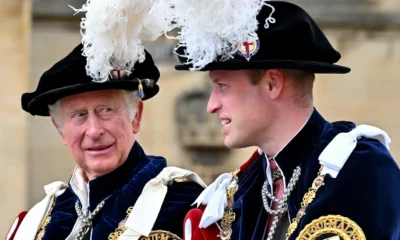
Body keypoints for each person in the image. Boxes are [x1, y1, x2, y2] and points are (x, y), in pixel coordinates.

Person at [160, 1, 400, 239]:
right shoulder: (245, 189)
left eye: (223, 86)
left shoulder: (359, 170)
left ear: (272, 83)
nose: (211, 105)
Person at [5, 1, 206, 240]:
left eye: (106, 110)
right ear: (60, 130)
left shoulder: (185, 205)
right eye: (79, 115)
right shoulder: (37, 220)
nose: (93, 130)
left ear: (136, 117)